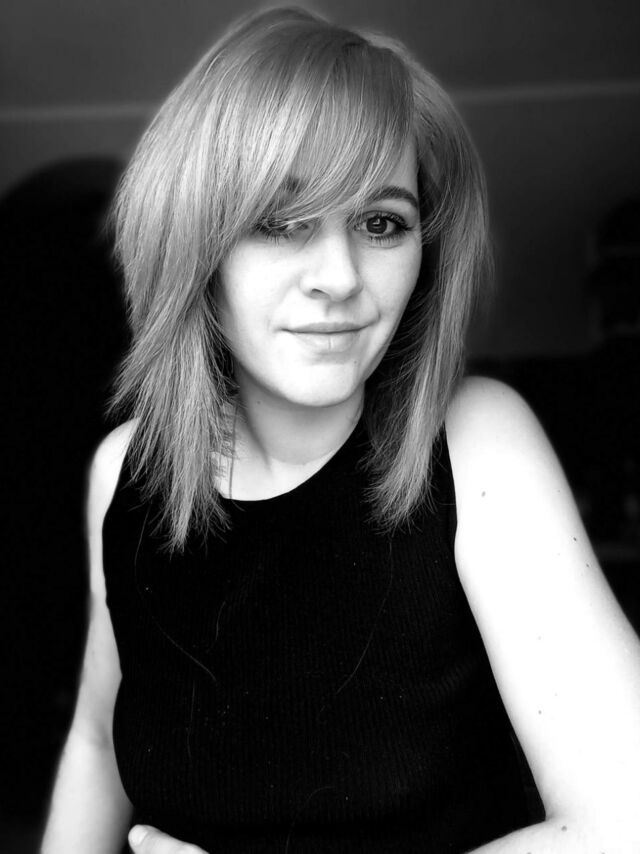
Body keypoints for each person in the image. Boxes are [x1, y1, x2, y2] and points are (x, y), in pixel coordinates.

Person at [41, 6, 640, 854]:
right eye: (282, 223)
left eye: (381, 223)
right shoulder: (126, 471)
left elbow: (626, 819)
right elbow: (97, 746)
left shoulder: (477, 444)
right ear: (194, 244)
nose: (340, 277)